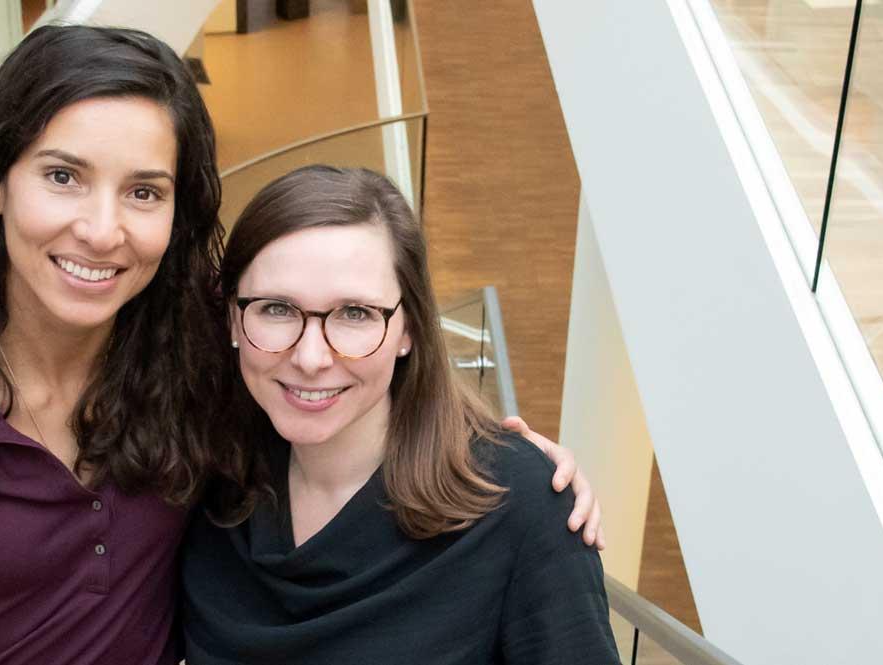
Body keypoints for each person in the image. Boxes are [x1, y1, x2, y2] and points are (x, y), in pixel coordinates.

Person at [0, 25, 602, 665]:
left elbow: (332, 375)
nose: (102, 228)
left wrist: (509, 456)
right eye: (62, 176)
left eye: (143, 191)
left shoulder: (195, 370)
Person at [181, 165, 619, 664]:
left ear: (408, 329)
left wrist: (531, 476)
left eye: (354, 314)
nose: (311, 357)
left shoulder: (517, 505)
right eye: (277, 309)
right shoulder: (199, 481)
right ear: (235, 320)